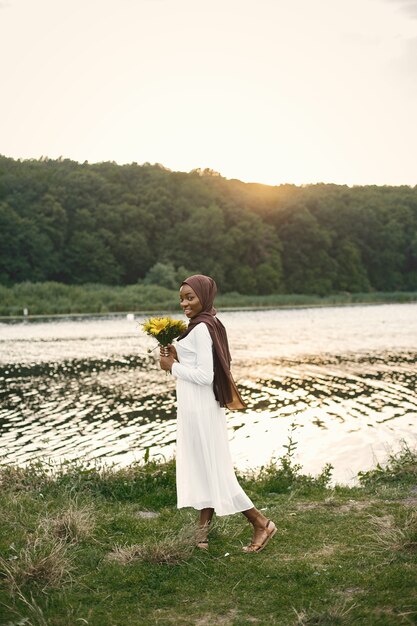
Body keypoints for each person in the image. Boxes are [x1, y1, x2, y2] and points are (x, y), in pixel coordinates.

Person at [159, 274, 276, 553]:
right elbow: (198, 363)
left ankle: (261, 523)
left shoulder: (201, 328)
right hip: (195, 407)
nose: (184, 303)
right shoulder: (204, 324)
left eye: (190, 297)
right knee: (205, 467)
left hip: (201, 408)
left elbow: (204, 375)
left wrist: (171, 367)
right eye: (181, 298)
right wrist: (177, 353)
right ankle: (201, 534)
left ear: (205, 296)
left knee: (216, 471)